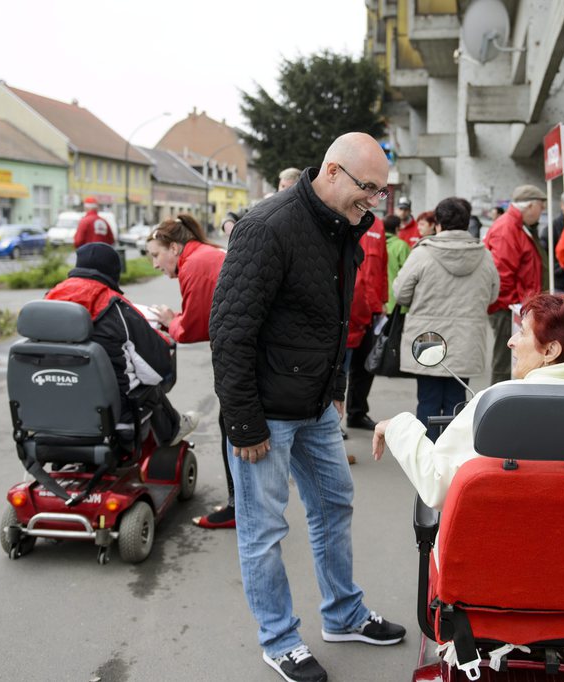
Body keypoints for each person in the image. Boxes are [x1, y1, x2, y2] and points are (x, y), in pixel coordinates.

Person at [209, 132, 405, 682]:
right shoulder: (268, 228)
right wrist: (244, 422)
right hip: (264, 414)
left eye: (381, 192)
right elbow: (229, 332)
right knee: (265, 532)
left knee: (334, 506)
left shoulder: (342, 226)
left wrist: (336, 391)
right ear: (334, 172)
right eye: (369, 188)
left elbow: (333, 323)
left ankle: (343, 615)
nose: (374, 201)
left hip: (314, 405)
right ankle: (279, 639)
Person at [372, 293, 564, 510]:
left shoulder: (501, 401)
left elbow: (438, 484)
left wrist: (397, 425)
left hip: (495, 554)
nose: (510, 341)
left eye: (523, 333)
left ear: (551, 351)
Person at [45, 243, 198, 447]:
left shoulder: (47, 305)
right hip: (114, 425)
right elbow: (156, 370)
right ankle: (173, 428)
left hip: (46, 421)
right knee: (149, 383)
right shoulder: (117, 310)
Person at [145, 214, 235, 529]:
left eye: (156, 255)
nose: (155, 264)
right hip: (248, 350)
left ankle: (239, 507)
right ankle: (243, 504)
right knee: (236, 427)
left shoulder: (194, 264)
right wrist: (177, 317)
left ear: (173, 247)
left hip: (238, 355)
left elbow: (196, 326)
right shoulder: (203, 255)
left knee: (234, 429)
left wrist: (171, 322)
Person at [392, 196, 499, 442]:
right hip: (466, 339)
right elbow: (492, 295)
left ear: (438, 223)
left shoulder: (422, 254)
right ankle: (452, 458)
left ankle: (427, 456)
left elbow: (400, 293)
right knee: (457, 402)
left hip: (428, 341)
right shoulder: (484, 255)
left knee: (428, 400)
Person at [482, 184, 546, 384]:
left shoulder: (515, 226)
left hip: (513, 305)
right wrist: (512, 305)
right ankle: (498, 404)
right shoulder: (508, 228)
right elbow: (502, 274)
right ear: (530, 206)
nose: (542, 212)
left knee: (508, 357)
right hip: (507, 307)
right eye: (541, 207)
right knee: (504, 358)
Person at [345, 215, 387, 432]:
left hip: (371, 308)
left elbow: (382, 265)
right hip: (347, 307)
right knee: (337, 371)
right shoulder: (343, 217)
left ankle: (357, 413)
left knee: (366, 366)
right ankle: (330, 421)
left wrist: (383, 300)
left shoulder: (377, 224)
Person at [382, 214, 410, 313]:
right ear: (397, 228)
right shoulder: (401, 246)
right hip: (396, 302)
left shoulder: (376, 244)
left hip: (378, 302)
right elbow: (409, 274)